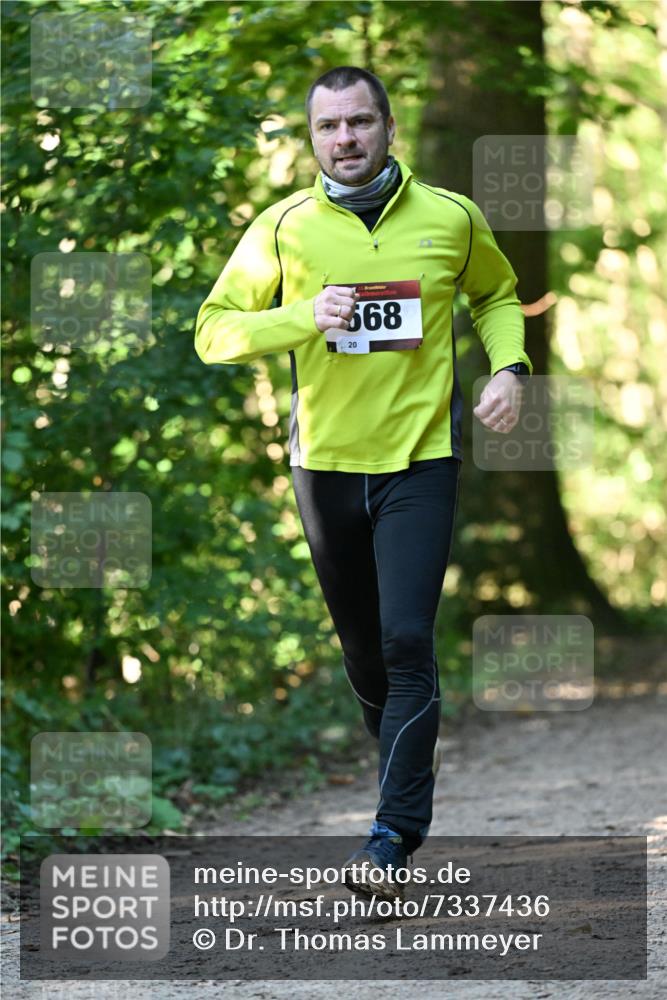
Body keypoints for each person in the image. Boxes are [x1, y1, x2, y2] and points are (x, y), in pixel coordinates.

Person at [195, 66, 532, 901]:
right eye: (327, 128)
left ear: (388, 127)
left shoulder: (451, 216)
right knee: (364, 655)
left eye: (358, 123)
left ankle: (390, 838)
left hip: (421, 459)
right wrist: (298, 317)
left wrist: (509, 368)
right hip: (326, 468)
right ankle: (404, 771)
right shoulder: (282, 229)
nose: (344, 139)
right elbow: (213, 332)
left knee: (407, 640)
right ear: (311, 139)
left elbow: (496, 295)